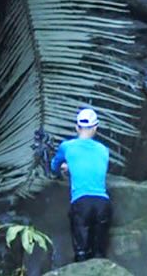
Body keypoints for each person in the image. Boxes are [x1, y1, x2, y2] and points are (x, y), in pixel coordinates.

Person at [50, 108, 112, 263]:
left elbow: (54, 167)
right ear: (95, 128)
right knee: (99, 254)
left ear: (77, 127)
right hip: (103, 203)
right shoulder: (104, 150)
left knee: (81, 253)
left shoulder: (67, 146)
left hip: (81, 203)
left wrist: (65, 167)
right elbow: (93, 166)